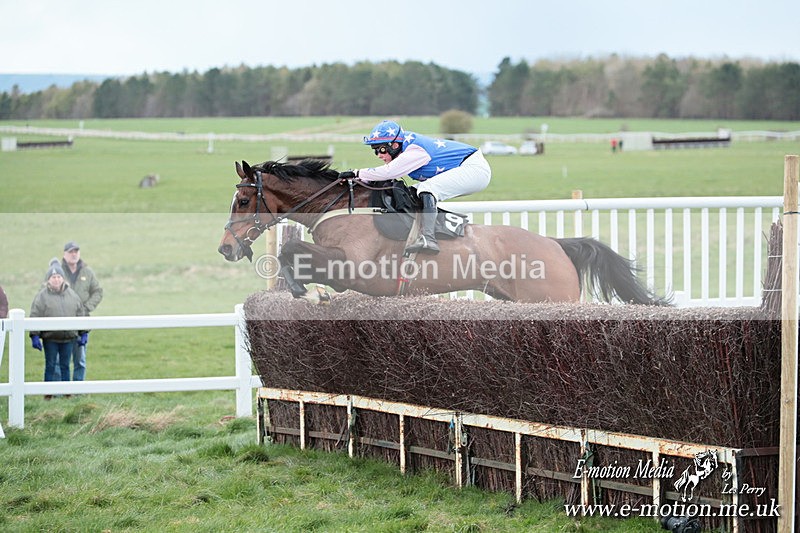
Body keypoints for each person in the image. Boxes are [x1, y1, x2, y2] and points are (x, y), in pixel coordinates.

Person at [340, 120, 492, 255]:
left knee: (427, 189)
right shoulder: (404, 145)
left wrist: (356, 173)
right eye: (375, 150)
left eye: (381, 149)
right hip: (466, 167)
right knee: (410, 193)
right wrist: (357, 179)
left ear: (394, 145)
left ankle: (428, 238)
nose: (379, 155)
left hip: (475, 169)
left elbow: (388, 172)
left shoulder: (414, 151)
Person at [29, 260, 85, 399]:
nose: (56, 279)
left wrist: (84, 332)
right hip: (51, 339)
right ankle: (48, 394)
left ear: (62, 278)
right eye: (53, 277)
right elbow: (35, 314)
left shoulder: (72, 295)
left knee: (66, 366)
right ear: (48, 280)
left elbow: (80, 313)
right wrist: (34, 335)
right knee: (51, 365)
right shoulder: (42, 297)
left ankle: (67, 393)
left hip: (68, 338)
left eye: (59, 277)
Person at [60, 241, 103, 381]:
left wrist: (87, 307)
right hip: (62, 320)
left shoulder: (87, 272)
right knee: (60, 359)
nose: (74, 254)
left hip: (82, 321)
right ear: (64, 254)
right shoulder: (58, 272)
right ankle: (60, 390)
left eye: (76, 252)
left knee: (80, 359)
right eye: (71, 252)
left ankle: (78, 389)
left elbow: (97, 291)